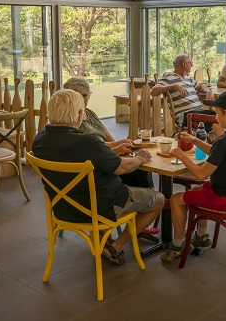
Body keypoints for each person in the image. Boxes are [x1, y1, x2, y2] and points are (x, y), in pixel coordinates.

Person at [31, 89, 165, 266]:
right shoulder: (87, 142)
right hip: (101, 207)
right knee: (159, 199)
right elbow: (123, 167)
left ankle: (101, 238)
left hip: (64, 208)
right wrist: (141, 158)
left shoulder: (39, 139)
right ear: (78, 114)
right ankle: (116, 246)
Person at [160, 91, 226, 263]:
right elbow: (218, 154)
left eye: (217, 113)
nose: (215, 117)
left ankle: (177, 245)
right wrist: (195, 141)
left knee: (176, 199)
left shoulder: (223, 141)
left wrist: (182, 156)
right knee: (196, 191)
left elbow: (200, 174)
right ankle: (202, 237)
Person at [63, 77, 159, 235]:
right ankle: (144, 209)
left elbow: (106, 137)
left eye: (85, 95)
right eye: (77, 95)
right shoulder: (71, 121)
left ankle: (141, 216)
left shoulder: (89, 113)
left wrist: (121, 145)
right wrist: (117, 150)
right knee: (138, 167)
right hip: (98, 169)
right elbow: (92, 150)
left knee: (138, 164)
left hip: (104, 158)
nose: (82, 99)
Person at [150, 53, 215, 127]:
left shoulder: (188, 78)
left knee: (220, 118)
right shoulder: (169, 77)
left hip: (199, 112)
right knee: (217, 120)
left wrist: (208, 90)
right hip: (185, 116)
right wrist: (173, 86)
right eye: (191, 63)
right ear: (184, 64)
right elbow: (153, 91)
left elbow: (200, 86)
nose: (192, 65)